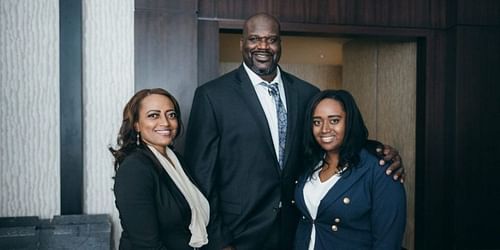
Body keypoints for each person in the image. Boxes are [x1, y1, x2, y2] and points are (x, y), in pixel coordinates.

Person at [184, 13, 403, 250]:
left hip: (295, 231)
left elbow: (326, 140)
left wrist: (376, 150)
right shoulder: (212, 96)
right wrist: (219, 240)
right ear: (242, 44)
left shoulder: (306, 93)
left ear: (280, 44)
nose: (263, 46)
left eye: (271, 39)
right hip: (238, 235)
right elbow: (200, 177)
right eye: (254, 39)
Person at [294, 90, 406, 250]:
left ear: (350, 122)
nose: (324, 129)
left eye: (334, 121)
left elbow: (388, 241)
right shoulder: (310, 163)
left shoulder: (380, 168)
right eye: (317, 122)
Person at [110, 88, 210, 250]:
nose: (165, 122)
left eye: (171, 115)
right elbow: (146, 245)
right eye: (153, 115)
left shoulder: (176, 160)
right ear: (136, 125)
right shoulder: (134, 169)